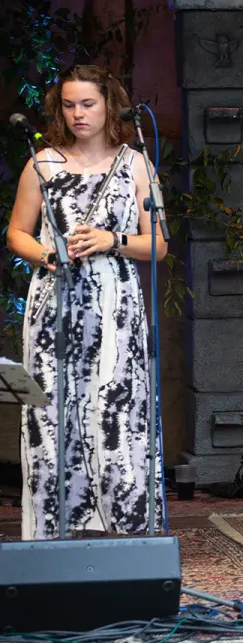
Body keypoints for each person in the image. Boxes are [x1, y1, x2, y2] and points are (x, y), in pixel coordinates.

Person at [5, 64, 166, 540]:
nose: (78, 113)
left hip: (115, 302)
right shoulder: (42, 163)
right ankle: (56, 530)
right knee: (53, 411)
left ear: (110, 105)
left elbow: (158, 244)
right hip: (54, 302)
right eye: (69, 105)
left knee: (116, 407)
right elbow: (16, 232)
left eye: (88, 104)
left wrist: (112, 240)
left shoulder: (137, 164)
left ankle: (126, 529)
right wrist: (45, 253)